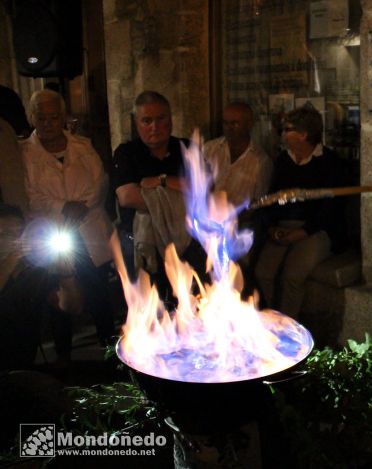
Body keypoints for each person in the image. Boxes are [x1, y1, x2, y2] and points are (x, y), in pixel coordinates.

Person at [21, 89, 116, 364]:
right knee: (59, 293)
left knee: (97, 288)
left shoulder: (82, 147)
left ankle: (109, 349)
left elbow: (100, 181)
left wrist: (83, 205)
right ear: (32, 118)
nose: (49, 124)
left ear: (63, 117)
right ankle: (64, 355)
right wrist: (63, 207)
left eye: (54, 117)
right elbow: (30, 194)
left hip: (87, 228)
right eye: (42, 118)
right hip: (52, 231)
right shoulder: (25, 154)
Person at [254, 104, 348, 317]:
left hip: (315, 229)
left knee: (293, 276)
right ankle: (269, 322)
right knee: (264, 272)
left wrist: (301, 233)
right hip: (282, 226)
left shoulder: (330, 163)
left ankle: (289, 329)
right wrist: (272, 229)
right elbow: (272, 197)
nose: (283, 135)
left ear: (304, 135)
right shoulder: (283, 160)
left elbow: (330, 210)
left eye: (288, 130)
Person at [112, 91, 205, 294]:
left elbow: (204, 191)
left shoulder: (187, 149)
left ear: (170, 120)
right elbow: (128, 197)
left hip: (187, 241)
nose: (154, 127)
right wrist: (180, 191)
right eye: (147, 121)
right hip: (140, 243)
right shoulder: (126, 153)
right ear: (137, 124)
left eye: (160, 119)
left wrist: (160, 181)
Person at [204, 102, 273, 293]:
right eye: (226, 123)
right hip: (205, 222)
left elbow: (257, 204)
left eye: (235, 123)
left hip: (238, 223)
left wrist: (231, 221)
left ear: (249, 124)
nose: (229, 128)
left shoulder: (260, 161)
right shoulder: (210, 150)